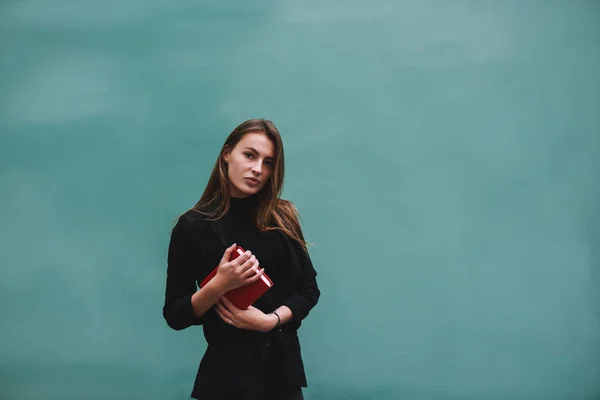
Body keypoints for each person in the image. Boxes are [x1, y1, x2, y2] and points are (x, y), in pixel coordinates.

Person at [162, 119, 320, 400]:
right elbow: (175, 314)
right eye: (250, 155)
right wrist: (219, 285)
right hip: (226, 381)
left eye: (268, 162)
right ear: (226, 154)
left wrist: (270, 321)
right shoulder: (192, 227)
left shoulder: (282, 217)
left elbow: (309, 290)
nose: (258, 169)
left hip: (283, 378)